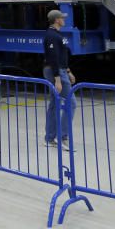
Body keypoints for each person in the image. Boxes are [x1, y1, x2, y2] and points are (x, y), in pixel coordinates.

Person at [43, 10, 77, 147]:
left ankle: (50, 137)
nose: (64, 20)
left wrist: (68, 71)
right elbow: (53, 58)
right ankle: (61, 137)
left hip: (59, 71)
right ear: (57, 20)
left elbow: (61, 56)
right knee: (71, 103)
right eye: (62, 18)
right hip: (55, 72)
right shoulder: (51, 35)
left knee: (54, 104)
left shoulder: (56, 34)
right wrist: (58, 78)